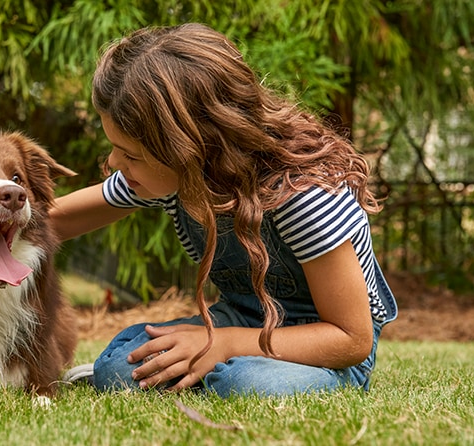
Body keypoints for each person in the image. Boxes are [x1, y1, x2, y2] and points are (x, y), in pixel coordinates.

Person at [52, 23, 397, 397]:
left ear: (189, 148)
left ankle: (222, 372)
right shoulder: (170, 177)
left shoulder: (300, 195)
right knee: (117, 368)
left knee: (249, 384)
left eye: (130, 155)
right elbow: (53, 221)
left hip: (323, 344)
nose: (114, 163)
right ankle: (212, 371)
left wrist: (227, 343)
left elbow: (351, 339)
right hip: (239, 318)